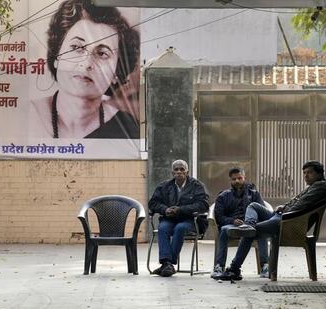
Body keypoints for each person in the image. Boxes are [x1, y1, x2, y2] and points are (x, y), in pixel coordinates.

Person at [30, 0, 140, 139]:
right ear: (57, 55)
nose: (86, 63)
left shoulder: (128, 130)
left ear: (116, 74)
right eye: (76, 47)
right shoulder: (25, 116)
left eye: (102, 54)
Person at [222, 160, 326, 280]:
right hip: (283, 217)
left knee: (249, 234)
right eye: (304, 173)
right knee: (253, 206)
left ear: (319, 173)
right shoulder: (313, 186)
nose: (306, 176)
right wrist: (283, 207)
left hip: (288, 222)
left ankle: (234, 269)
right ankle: (249, 225)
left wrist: (285, 210)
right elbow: (296, 202)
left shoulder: (320, 187)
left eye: (309, 173)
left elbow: (301, 206)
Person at [148, 160, 210, 277]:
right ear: (172, 172)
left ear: (187, 172)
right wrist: (165, 209)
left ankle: (168, 264)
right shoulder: (164, 186)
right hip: (169, 219)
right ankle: (167, 263)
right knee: (163, 228)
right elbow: (153, 203)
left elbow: (203, 204)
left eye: (182, 169)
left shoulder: (197, 186)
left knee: (180, 228)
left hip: (191, 220)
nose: (179, 172)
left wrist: (181, 209)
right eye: (176, 169)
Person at [211, 167, 270, 280]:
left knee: (261, 230)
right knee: (223, 230)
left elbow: (262, 211)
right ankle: (219, 267)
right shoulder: (223, 196)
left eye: (239, 178)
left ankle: (265, 266)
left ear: (244, 178)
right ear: (230, 180)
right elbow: (219, 217)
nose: (237, 181)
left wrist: (251, 222)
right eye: (234, 179)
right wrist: (232, 221)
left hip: (251, 226)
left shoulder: (254, 194)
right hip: (232, 225)